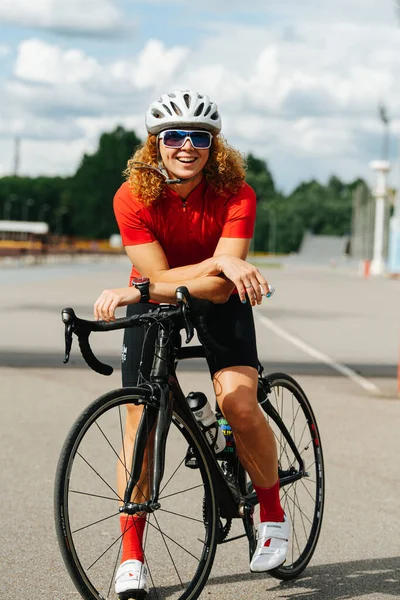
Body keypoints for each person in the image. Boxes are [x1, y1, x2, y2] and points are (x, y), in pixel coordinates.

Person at [94, 89, 289, 598]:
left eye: (198, 137)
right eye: (173, 136)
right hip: (152, 297)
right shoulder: (131, 196)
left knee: (238, 401)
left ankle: (271, 510)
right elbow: (161, 278)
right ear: (155, 143)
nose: (186, 145)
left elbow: (222, 288)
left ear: (213, 145)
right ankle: (132, 553)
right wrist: (217, 261)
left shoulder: (237, 193)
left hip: (216, 300)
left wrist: (146, 285)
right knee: (140, 418)